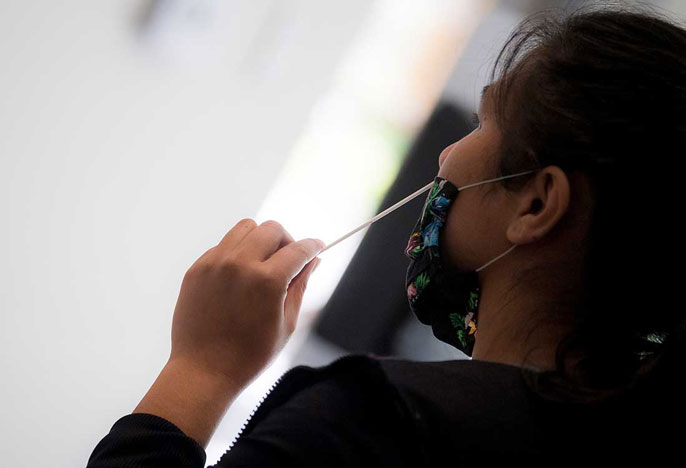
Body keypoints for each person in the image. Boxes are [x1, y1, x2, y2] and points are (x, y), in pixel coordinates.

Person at [86, 3, 686, 466]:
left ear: (536, 204)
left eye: (484, 121)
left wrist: (202, 368)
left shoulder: (375, 426)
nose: (448, 154)